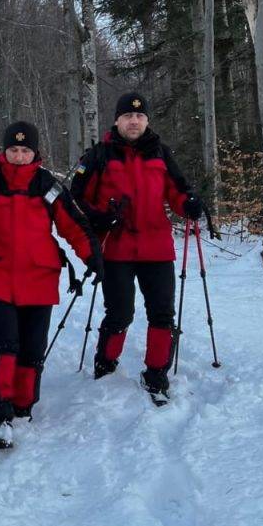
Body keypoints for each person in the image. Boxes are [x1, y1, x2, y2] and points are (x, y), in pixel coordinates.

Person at [0, 121, 103, 449]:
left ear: (35, 153)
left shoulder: (48, 185)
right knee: (5, 343)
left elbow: (72, 224)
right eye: (13, 150)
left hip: (39, 278)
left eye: (25, 150)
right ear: (4, 151)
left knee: (31, 347)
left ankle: (23, 405)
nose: (18, 155)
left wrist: (92, 256)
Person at [70, 92, 204, 406]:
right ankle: (106, 360)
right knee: (120, 312)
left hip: (156, 247)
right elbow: (76, 198)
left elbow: (178, 192)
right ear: (117, 120)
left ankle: (156, 373)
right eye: (128, 116)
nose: (134, 121)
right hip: (116, 249)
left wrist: (190, 205)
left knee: (162, 313)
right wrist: (100, 217)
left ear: (146, 121)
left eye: (140, 116)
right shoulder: (99, 155)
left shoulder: (160, 153)